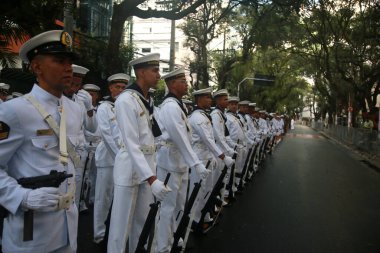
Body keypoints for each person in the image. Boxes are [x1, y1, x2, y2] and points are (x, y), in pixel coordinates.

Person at [0, 30, 82, 253]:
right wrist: (21, 197)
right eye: (59, 61)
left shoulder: (75, 110)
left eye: (69, 62)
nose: (68, 68)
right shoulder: (13, 111)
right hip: (31, 228)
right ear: (36, 67)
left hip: (67, 226)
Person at [108, 53, 171, 253]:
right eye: (155, 71)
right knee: (121, 226)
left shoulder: (147, 99)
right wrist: (152, 179)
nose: (159, 75)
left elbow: (153, 134)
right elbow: (131, 143)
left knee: (142, 221)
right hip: (130, 168)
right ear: (141, 72)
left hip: (147, 166)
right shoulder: (126, 100)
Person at [155, 68, 210, 253]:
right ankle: (163, 246)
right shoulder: (170, 106)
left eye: (185, 81)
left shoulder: (178, 105)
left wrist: (191, 162)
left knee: (178, 205)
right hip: (170, 162)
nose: (186, 84)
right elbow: (179, 137)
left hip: (180, 162)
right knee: (167, 207)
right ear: (171, 84)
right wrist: (196, 162)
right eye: (182, 81)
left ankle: (173, 237)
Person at [188, 87, 234, 233]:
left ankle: (203, 216)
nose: (210, 100)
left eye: (210, 97)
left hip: (207, 156)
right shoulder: (197, 117)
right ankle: (194, 221)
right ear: (199, 99)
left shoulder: (205, 115)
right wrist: (222, 155)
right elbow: (208, 140)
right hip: (200, 157)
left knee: (207, 189)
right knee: (198, 190)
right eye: (207, 97)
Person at [93, 74, 128, 244]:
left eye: (123, 87)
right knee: (103, 197)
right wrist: (119, 156)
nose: (120, 90)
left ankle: (113, 231)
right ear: (110, 88)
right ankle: (99, 233)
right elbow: (106, 135)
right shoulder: (104, 107)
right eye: (117, 87)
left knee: (117, 197)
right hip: (108, 159)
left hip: (122, 159)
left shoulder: (125, 106)